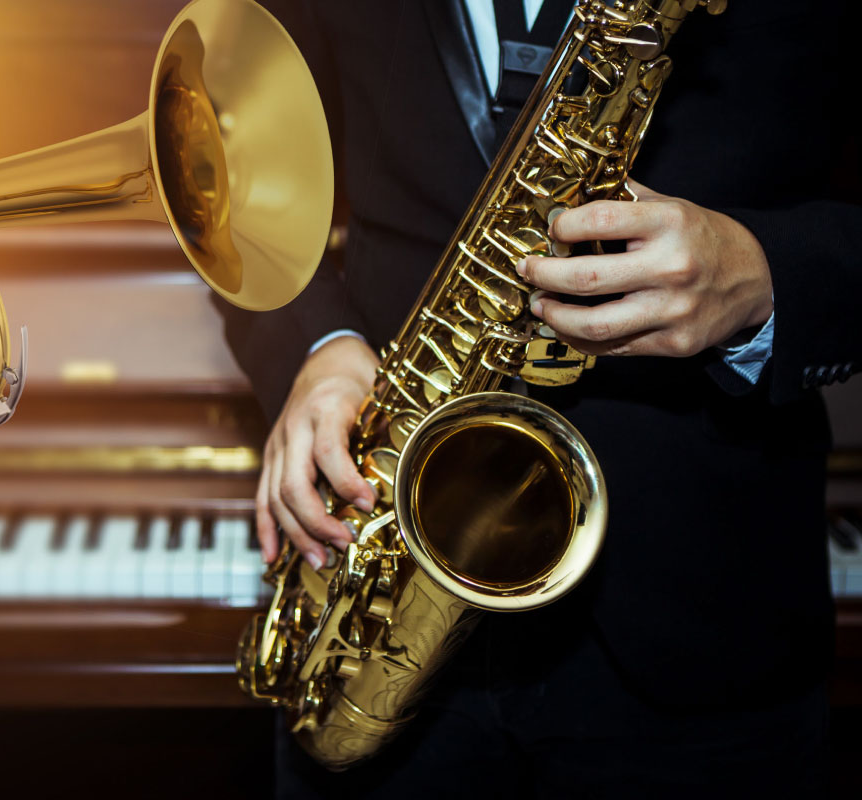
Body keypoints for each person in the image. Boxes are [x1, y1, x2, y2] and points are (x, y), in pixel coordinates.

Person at [214, 0, 862, 797]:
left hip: (705, 627)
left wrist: (767, 275)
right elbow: (238, 168)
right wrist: (316, 347)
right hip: (374, 563)